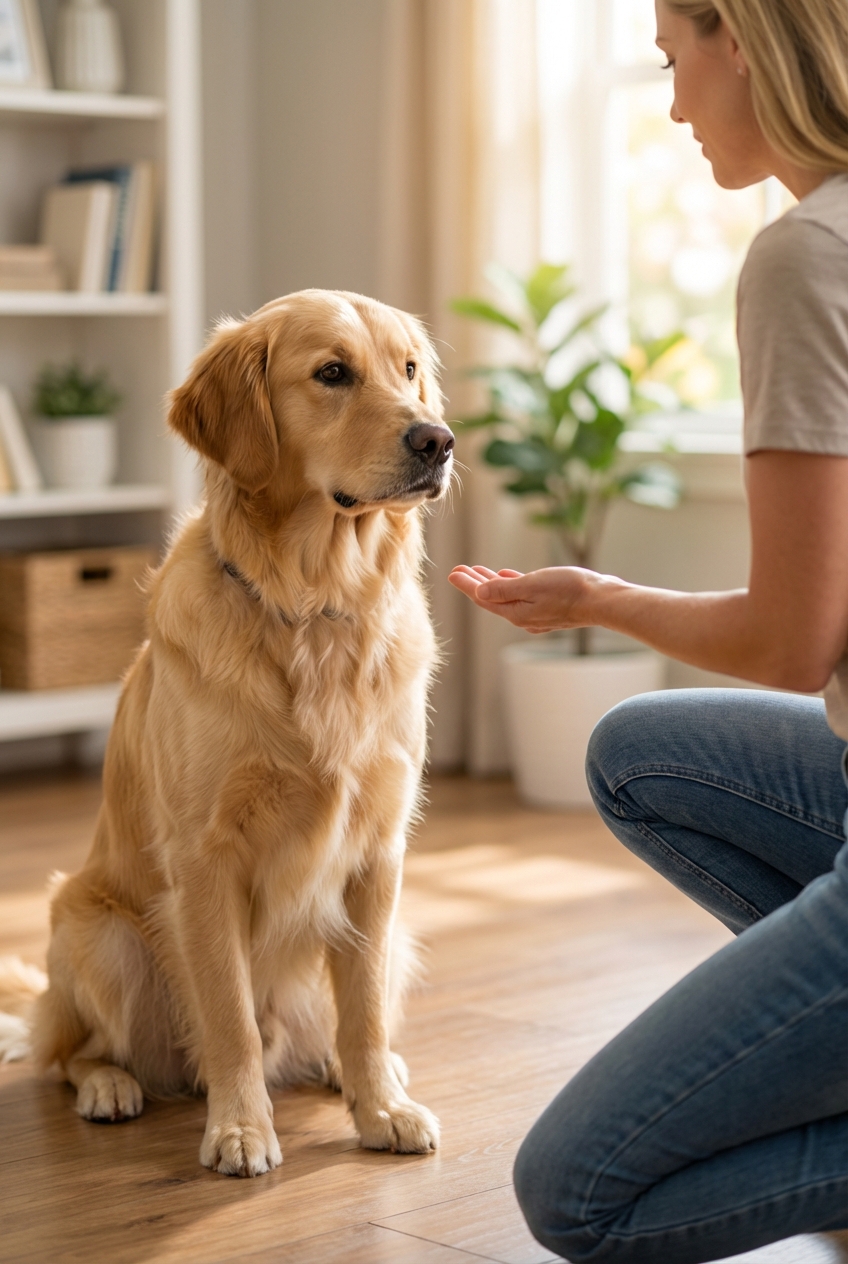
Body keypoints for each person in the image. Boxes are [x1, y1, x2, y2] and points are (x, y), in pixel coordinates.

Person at [448, 1, 848, 1259]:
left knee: (578, 1191)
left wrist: (600, 597)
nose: (672, 106)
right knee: (641, 750)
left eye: (674, 62)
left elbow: (791, 643)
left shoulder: (805, 254)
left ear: (741, 36)